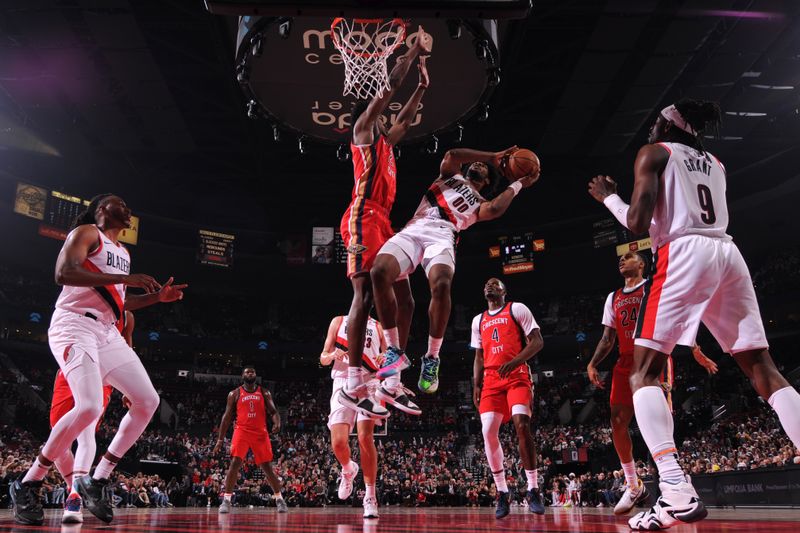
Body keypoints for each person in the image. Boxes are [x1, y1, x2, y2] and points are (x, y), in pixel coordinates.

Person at [588, 98, 800, 530]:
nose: (649, 130)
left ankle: (675, 491)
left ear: (668, 126)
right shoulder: (716, 163)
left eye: (655, 123)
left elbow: (637, 223)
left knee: (642, 374)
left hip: (684, 251)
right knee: (762, 367)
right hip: (727, 250)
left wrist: (609, 197)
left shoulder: (654, 153)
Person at [10, 194, 185, 526]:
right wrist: (121, 279)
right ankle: (28, 483)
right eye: (122, 202)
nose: (129, 207)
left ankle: (98, 478)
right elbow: (64, 273)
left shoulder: (123, 253)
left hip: (106, 331)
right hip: (74, 324)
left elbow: (119, 302)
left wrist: (157, 298)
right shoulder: (87, 233)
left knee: (148, 401)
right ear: (103, 208)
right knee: (89, 407)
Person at [372, 148, 540, 393]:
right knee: (378, 272)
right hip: (415, 229)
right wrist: (491, 157)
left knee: (441, 284)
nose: (478, 166)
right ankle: (395, 351)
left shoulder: (481, 204)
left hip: (443, 236)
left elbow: (494, 210)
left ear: (486, 182)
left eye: (484, 170)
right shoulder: (450, 175)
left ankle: (431, 357)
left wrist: (518, 184)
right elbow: (452, 154)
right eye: (477, 164)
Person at [338, 28, 432, 419]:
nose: (386, 118)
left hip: (386, 224)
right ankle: (353, 381)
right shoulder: (362, 132)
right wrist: (409, 55)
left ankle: (391, 378)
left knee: (407, 298)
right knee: (363, 298)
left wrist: (423, 87)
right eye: (379, 112)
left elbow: (406, 120)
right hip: (361, 217)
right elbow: (388, 89)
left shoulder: (386, 145)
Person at [585, 252, 718, 515]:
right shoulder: (613, 297)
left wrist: (694, 349)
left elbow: (678, 317)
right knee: (618, 422)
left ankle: (675, 485)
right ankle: (634, 485)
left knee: (659, 423)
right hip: (625, 361)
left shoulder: (653, 287)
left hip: (654, 356)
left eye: (629, 257)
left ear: (642, 263)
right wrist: (592, 363)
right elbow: (607, 338)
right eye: (620, 259)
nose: (622, 261)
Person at [320, 314, 418, 518]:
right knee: (338, 443)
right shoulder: (338, 321)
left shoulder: (379, 326)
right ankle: (348, 470)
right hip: (342, 380)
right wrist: (331, 356)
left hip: (370, 381)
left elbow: (388, 357)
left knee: (366, 437)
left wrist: (384, 358)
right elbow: (322, 356)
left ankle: (370, 496)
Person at [49, 310, 135, 523]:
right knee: (58, 443)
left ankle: (74, 498)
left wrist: (128, 388)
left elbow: (127, 351)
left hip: (101, 377)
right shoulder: (78, 300)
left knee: (86, 434)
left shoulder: (127, 316)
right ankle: (73, 487)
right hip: (69, 370)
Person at [471, 278, 545, 519]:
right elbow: (479, 357)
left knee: (522, 425)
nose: (489, 285)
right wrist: (476, 384)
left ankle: (533, 488)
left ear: (504, 290)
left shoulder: (517, 309)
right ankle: (502, 491)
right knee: (487, 431)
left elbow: (537, 342)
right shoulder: (478, 320)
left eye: (495, 283)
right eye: (487, 284)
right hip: (491, 379)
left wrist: (514, 362)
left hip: (517, 374)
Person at [213, 366, 287, 514]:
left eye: (252, 371)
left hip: (260, 432)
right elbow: (226, 418)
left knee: (267, 467)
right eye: (247, 372)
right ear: (242, 376)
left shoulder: (264, 392)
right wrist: (220, 440)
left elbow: (273, 412)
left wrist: (277, 422)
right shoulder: (234, 394)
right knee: (235, 463)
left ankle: (279, 499)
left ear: (256, 375)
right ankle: (226, 501)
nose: (250, 373)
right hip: (242, 431)